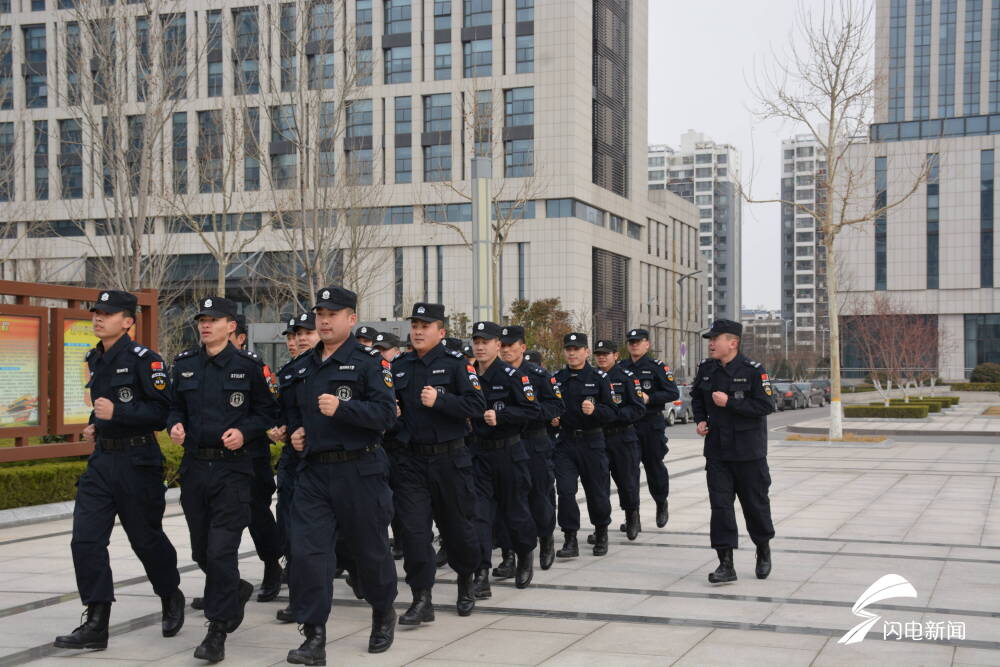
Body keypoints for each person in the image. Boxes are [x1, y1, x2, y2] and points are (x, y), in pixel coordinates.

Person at [54, 290, 184, 651]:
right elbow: (104, 405)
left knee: (146, 539)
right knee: (85, 539)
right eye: (96, 312)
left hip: (138, 461)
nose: (98, 318)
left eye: (108, 314)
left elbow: (161, 413)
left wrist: (118, 415)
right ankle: (96, 621)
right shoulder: (95, 357)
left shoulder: (146, 360)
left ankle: (170, 593)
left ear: (128, 321)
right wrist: (98, 422)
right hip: (102, 463)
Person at [283, 287, 398, 664]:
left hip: (359, 470)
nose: (325, 320)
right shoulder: (303, 366)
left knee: (370, 550)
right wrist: (294, 431)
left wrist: (344, 408)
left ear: (351, 318)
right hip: (314, 473)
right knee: (307, 553)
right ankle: (314, 636)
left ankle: (382, 611)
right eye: (320, 313)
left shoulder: (368, 362)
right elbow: (289, 412)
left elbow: (386, 415)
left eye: (333, 313)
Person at [167, 296, 279, 663]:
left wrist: (245, 432)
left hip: (233, 471)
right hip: (196, 469)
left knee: (221, 551)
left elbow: (267, 411)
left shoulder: (249, 366)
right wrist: (175, 425)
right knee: (202, 551)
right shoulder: (184, 364)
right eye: (202, 319)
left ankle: (216, 631)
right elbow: (172, 407)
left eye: (213, 320)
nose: (205, 325)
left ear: (232, 326)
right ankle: (236, 589)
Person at [391, 303, 484, 626]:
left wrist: (441, 401)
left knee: (458, 528)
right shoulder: (399, 365)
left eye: (425, 325)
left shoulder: (456, 364)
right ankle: (421, 598)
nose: (417, 331)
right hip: (411, 462)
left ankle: (465, 581)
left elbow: (476, 403)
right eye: (414, 325)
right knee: (415, 533)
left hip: (450, 459)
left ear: (441, 332)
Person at [691, 319, 776, 584]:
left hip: (749, 454)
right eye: (710, 340)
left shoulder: (753, 371)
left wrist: (731, 402)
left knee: (755, 506)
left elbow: (765, 405)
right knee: (720, 508)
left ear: (733, 342)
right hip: (717, 453)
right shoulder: (707, 370)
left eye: (716, 339)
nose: (711, 344)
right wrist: (701, 419)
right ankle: (725, 564)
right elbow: (696, 396)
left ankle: (763, 548)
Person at [468, 321, 540, 594]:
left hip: (508, 452)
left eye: (486, 341)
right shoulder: (467, 374)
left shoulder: (512, 376)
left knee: (516, 511)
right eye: (476, 341)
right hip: (478, 454)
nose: (480, 346)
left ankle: (524, 554)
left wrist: (502, 416)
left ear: (497, 345)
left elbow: (531, 411)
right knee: (479, 515)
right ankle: (482, 572)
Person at [498, 325, 563, 571]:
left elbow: (556, 406)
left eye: (510, 346)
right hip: (505, 443)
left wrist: (532, 414)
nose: (505, 350)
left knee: (539, 497)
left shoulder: (538, 375)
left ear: (522, 348)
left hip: (534, 441)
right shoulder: (494, 374)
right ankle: (508, 554)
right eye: (502, 345)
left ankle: (546, 539)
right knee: (507, 499)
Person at [271, 313, 319, 624]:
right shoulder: (287, 373)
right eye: (294, 334)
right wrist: (278, 429)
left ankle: (357, 571)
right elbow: (278, 412)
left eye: (305, 333)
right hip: (293, 459)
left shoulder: (331, 369)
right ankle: (300, 596)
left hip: (326, 460)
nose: (298, 339)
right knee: (290, 527)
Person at [232, 315, 283, 604]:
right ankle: (223, 582)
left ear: (239, 337)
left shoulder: (254, 367)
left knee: (257, 516)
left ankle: (272, 566)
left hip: (252, 455)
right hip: (215, 459)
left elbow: (269, 408)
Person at [552, 333, 616, 558]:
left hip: (592, 441)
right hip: (566, 442)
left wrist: (595, 411)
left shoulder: (599, 378)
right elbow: (551, 407)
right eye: (568, 349)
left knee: (596, 492)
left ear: (586, 352)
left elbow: (612, 412)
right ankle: (570, 539)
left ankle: (601, 531)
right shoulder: (558, 378)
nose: (572, 353)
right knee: (566, 491)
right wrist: (552, 419)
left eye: (577, 349)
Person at [621, 328, 679, 528]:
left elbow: (672, 393)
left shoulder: (657, 367)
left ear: (647, 344)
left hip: (651, 424)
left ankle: (661, 503)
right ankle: (632, 515)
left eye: (638, 341)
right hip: (628, 425)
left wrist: (651, 398)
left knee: (654, 467)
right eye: (631, 342)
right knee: (629, 471)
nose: (634, 345)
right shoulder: (622, 367)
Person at [592, 339, 646, 541]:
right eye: (598, 354)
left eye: (606, 354)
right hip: (597, 437)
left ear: (615, 356)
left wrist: (614, 415)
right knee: (598, 485)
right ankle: (601, 529)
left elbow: (638, 408)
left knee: (627, 482)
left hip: (622, 437)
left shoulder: (626, 377)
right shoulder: (591, 377)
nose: (602, 358)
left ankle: (632, 516)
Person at [372, 331, 407, 561]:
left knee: (402, 500)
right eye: (378, 349)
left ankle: (403, 541)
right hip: (379, 445)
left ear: (397, 351)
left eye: (385, 349)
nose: (381, 353)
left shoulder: (403, 372)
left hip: (402, 447)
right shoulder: (374, 372)